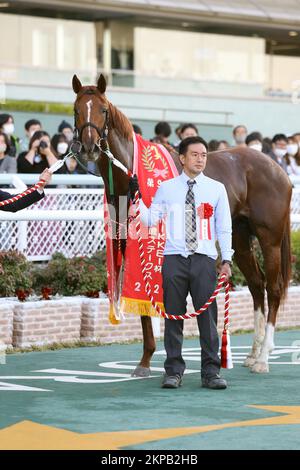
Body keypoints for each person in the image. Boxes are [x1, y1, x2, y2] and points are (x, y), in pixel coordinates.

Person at [129, 136, 233, 390]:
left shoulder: (216, 189)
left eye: (204, 155)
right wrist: (136, 196)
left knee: (207, 319)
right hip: (174, 259)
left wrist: (227, 258)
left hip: (204, 260)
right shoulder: (167, 188)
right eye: (195, 154)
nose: (200, 159)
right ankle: (173, 370)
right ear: (183, 158)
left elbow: (224, 227)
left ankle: (211, 372)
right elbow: (151, 220)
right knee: (173, 317)